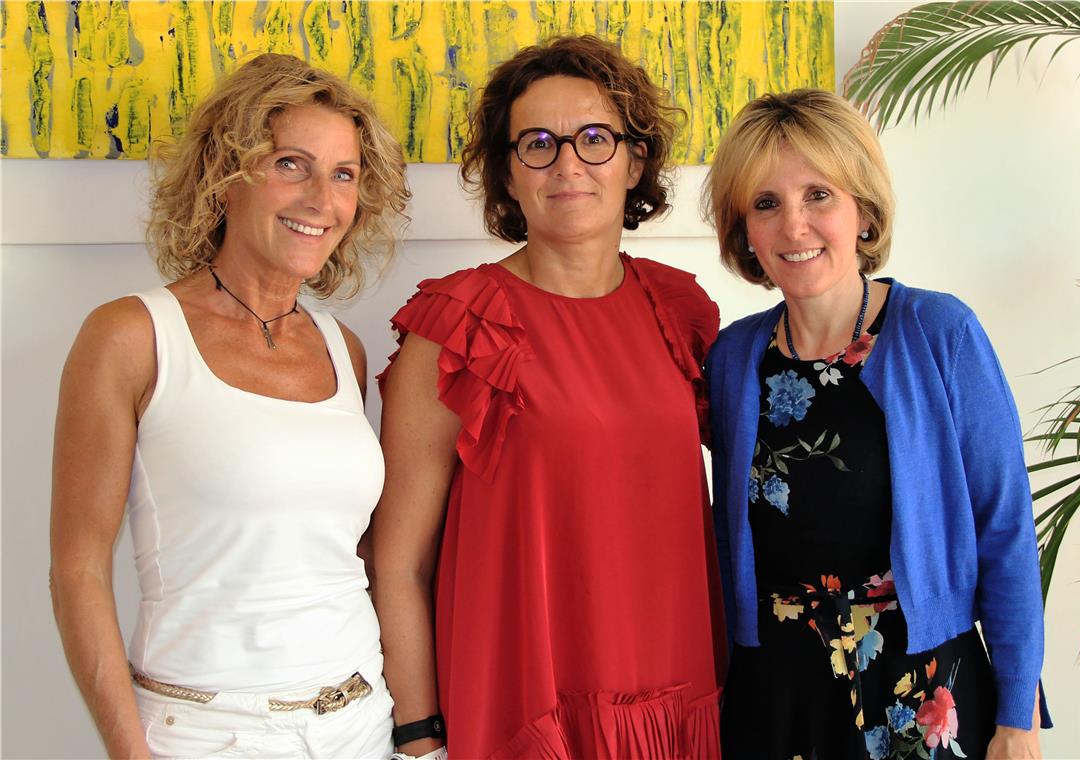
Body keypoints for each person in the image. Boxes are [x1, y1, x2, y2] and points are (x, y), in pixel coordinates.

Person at [374, 35, 725, 760]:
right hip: (523, 708)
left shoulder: (680, 313)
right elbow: (398, 562)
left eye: (595, 139)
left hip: (677, 692)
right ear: (508, 173)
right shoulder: (459, 327)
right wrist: (417, 737)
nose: (568, 165)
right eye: (538, 144)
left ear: (635, 161)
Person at [49, 53, 409, 758]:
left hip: (359, 721)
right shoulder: (131, 336)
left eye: (343, 174)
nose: (322, 200)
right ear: (226, 173)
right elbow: (78, 569)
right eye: (291, 164)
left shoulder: (343, 348)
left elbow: (354, 551)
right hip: (207, 731)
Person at [702, 88, 1051, 759]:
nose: (794, 226)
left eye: (819, 196)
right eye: (766, 203)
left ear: (861, 210)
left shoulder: (940, 332)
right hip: (775, 697)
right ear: (743, 230)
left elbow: (1004, 529)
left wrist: (1018, 718)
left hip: (923, 692)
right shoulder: (732, 358)